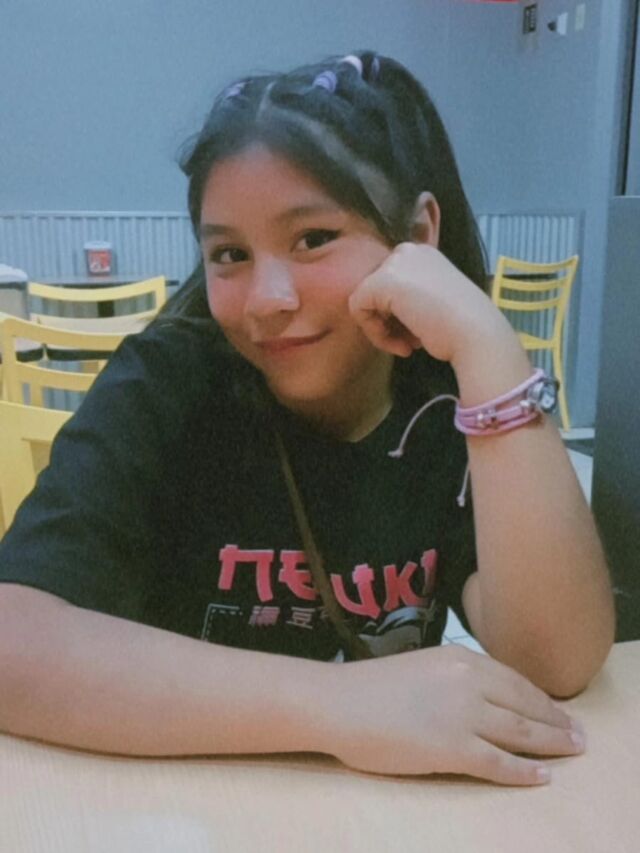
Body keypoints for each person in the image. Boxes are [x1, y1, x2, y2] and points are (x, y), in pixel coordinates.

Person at [0, 51, 614, 786]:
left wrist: (489, 346)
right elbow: (13, 642)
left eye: (314, 239)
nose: (268, 299)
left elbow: (557, 662)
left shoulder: (447, 398)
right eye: (230, 254)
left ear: (418, 235)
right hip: (180, 801)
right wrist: (340, 704)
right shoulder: (167, 381)